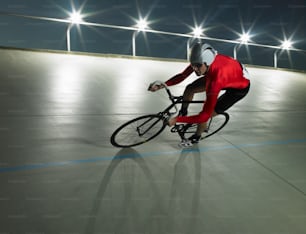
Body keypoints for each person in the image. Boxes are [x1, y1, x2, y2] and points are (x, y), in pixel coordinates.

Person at [148, 42, 250, 144]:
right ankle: (183, 111)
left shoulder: (216, 80)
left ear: (207, 62)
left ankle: (197, 137)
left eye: (198, 66)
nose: (195, 69)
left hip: (238, 89)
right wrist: (161, 85)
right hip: (229, 73)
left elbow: (204, 116)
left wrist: (177, 120)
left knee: (206, 114)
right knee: (190, 88)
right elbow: (183, 76)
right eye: (193, 65)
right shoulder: (201, 61)